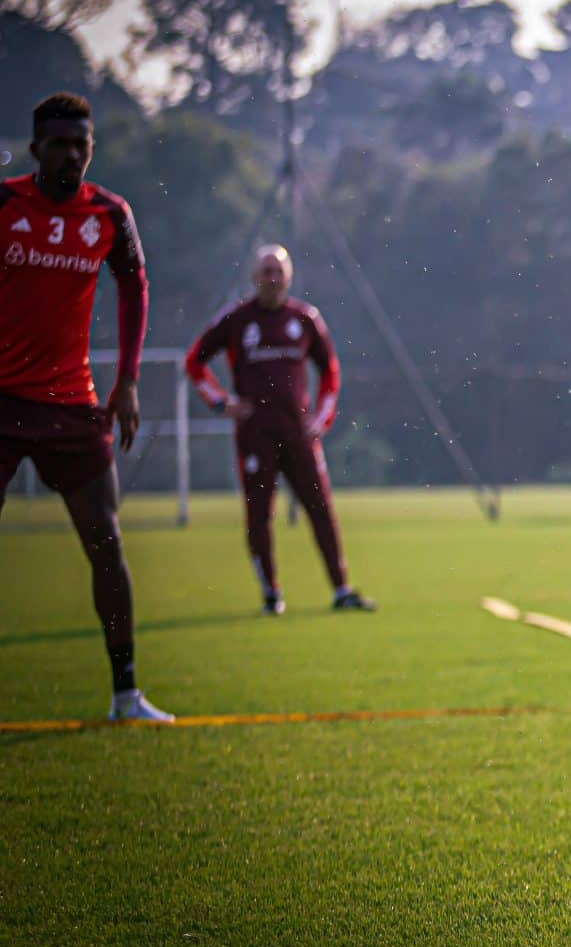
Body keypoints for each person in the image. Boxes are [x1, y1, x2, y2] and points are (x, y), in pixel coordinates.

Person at [0, 92, 172, 722]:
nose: (73, 154)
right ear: (36, 147)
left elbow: (134, 286)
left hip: (72, 403)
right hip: (1, 400)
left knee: (107, 542)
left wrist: (127, 380)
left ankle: (126, 694)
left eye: (83, 144)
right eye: (61, 143)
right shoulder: (6, 203)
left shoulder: (108, 213)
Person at [185, 245, 375, 615]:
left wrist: (321, 419)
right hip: (255, 435)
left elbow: (331, 372)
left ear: (289, 278)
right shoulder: (237, 320)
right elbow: (194, 362)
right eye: (266, 272)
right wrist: (222, 402)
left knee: (320, 508)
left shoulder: (305, 320)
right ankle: (271, 593)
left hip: (298, 435)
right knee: (259, 515)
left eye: (279, 272)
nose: (273, 279)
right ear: (254, 277)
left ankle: (341, 589)